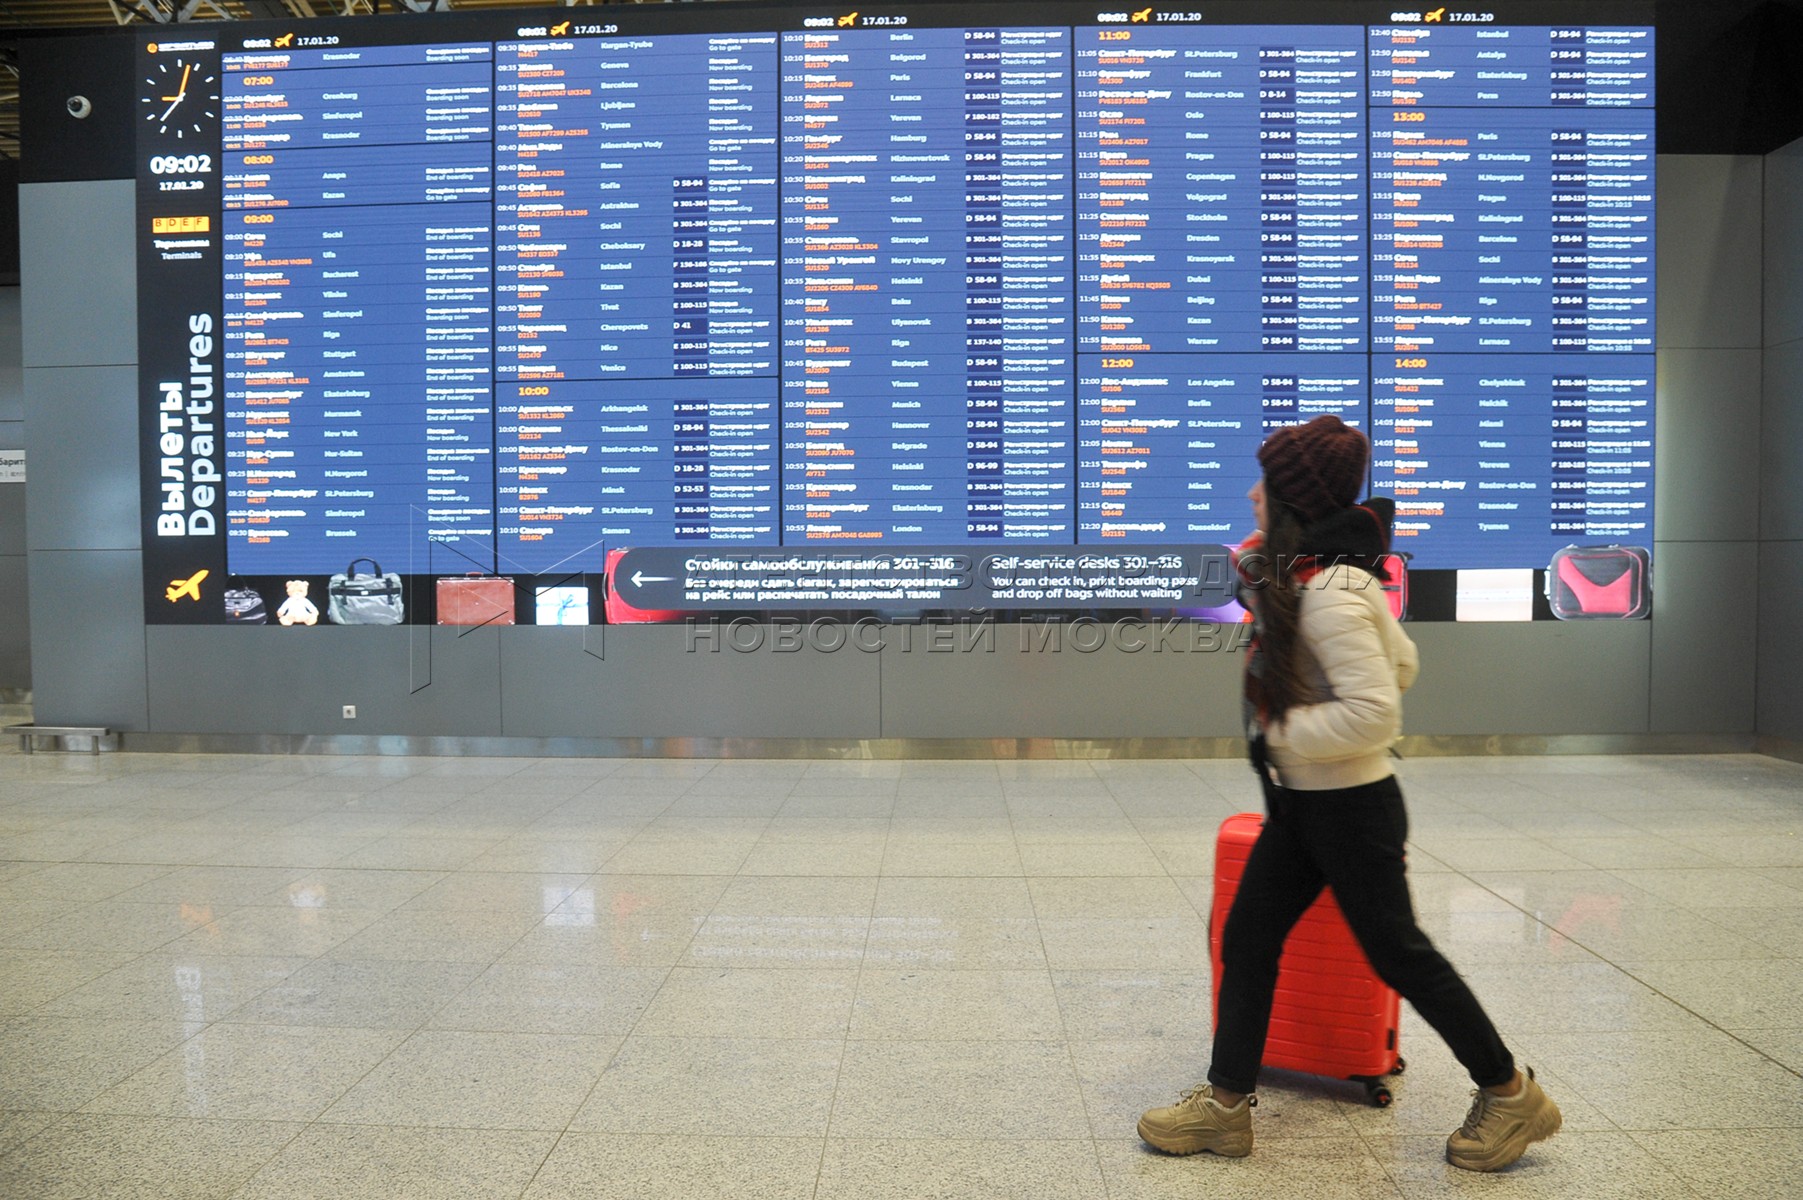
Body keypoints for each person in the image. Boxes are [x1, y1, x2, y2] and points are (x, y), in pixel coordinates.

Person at [1137, 414, 1562, 1172]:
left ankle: (1509, 1093)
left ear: (1291, 500)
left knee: (1400, 955)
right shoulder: (1321, 579)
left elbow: (1376, 712)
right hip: (1306, 806)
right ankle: (1225, 1108)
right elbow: (1404, 661)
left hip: (1349, 810)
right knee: (1249, 939)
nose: (1251, 495)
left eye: (1264, 484)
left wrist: (1282, 733)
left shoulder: (1329, 590)